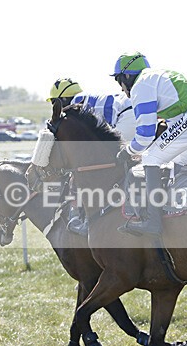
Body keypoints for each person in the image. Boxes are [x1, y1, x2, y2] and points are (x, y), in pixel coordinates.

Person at [112, 52, 187, 237]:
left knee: (150, 157)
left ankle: (152, 221)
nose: (121, 89)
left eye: (118, 80)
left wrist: (127, 152)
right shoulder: (157, 80)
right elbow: (173, 128)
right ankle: (176, 206)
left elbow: (144, 135)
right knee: (173, 159)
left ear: (127, 76)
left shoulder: (140, 85)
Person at [45, 78, 135, 235]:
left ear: (62, 99)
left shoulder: (73, 109)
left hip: (127, 118)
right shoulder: (84, 99)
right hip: (134, 113)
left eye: (54, 102)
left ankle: (86, 217)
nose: (54, 107)